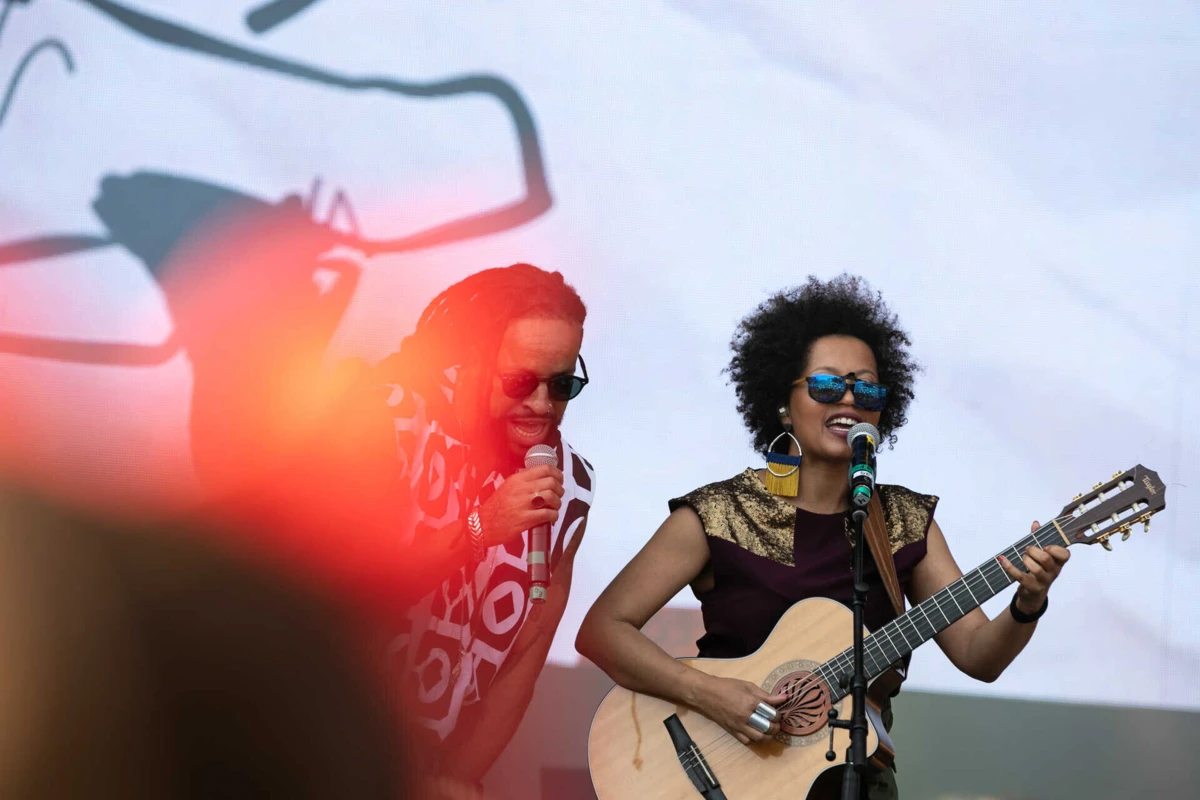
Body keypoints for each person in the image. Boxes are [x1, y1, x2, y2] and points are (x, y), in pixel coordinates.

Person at [575, 274, 1068, 800]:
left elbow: (978, 656)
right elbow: (602, 631)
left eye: (869, 389)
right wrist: (712, 694)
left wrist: (1027, 602)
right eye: (829, 385)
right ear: (783, 403)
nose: (851, 399)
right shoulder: (720, 512)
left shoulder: (903, 521)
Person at [371, 263, 596, 791]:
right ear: (473, 363)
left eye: (563, 384)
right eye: (520, 382)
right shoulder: (396, 424)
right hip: (333, 737)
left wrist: (454, 779)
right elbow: (344, 595)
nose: (542, 406)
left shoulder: (572, 483)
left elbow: (526, 657)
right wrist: (480, 527)